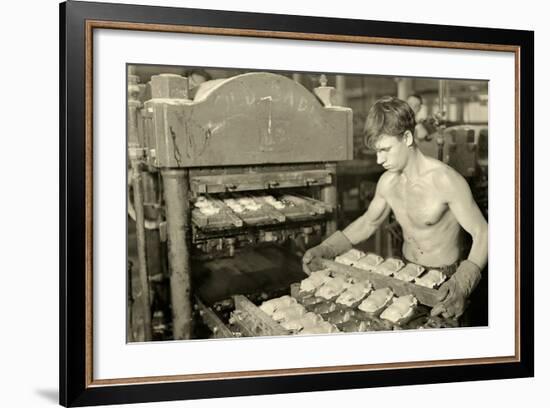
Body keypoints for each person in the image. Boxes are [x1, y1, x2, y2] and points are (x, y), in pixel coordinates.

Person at [302, 96, 488, 319]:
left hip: (446, 280)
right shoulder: (388, 182)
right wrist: (327, 248)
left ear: (407, 138)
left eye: (385, 150)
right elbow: (368, 222)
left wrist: (462, 283)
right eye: (377, 152)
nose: (379, 160)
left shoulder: (445, 181)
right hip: (404, 272)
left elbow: (483, 233)